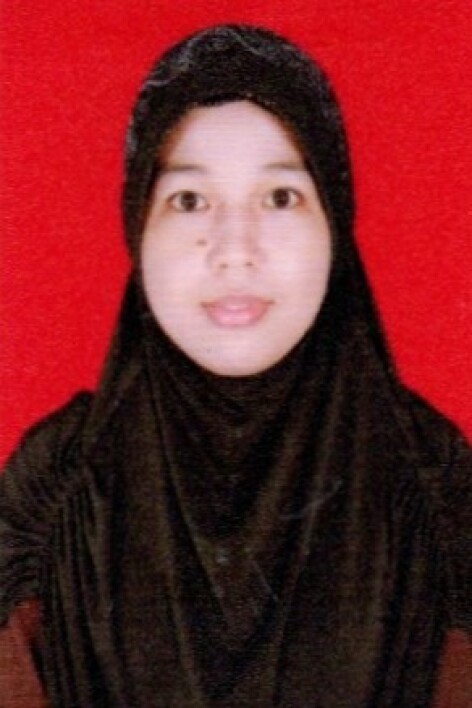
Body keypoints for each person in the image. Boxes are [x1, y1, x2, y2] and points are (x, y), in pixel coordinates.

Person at [0, 23, 470, 708]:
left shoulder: (436, 491)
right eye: (189, 200)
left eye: (280, 197)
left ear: (334, 225)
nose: (235, 249)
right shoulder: (51, 500)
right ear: (139, 228)